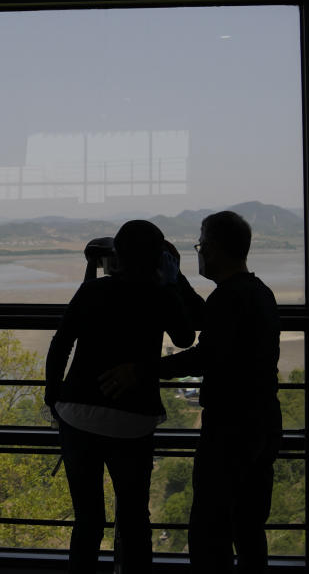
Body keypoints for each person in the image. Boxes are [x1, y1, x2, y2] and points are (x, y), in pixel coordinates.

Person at [101, 210, 281, 573]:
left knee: (209, 528)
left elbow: (205, 355)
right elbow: (205, 318)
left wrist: (141, 371)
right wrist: (175, 281)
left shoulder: (228, 298)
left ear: (212, 248)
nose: (199, 251)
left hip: (230, 427)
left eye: (201, 244)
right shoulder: (258, 292)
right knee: (248, 525)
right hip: (263, 422)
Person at [45, 219, 199, 573]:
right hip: (133, 420)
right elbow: (185, 338)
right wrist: (172, 282)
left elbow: (61, 343)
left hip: (77, 413)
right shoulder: (160, 294)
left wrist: (53, 397)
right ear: (159, 258)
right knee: (133, 516)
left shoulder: (91, 292)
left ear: (118, 255)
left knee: (88, 519)